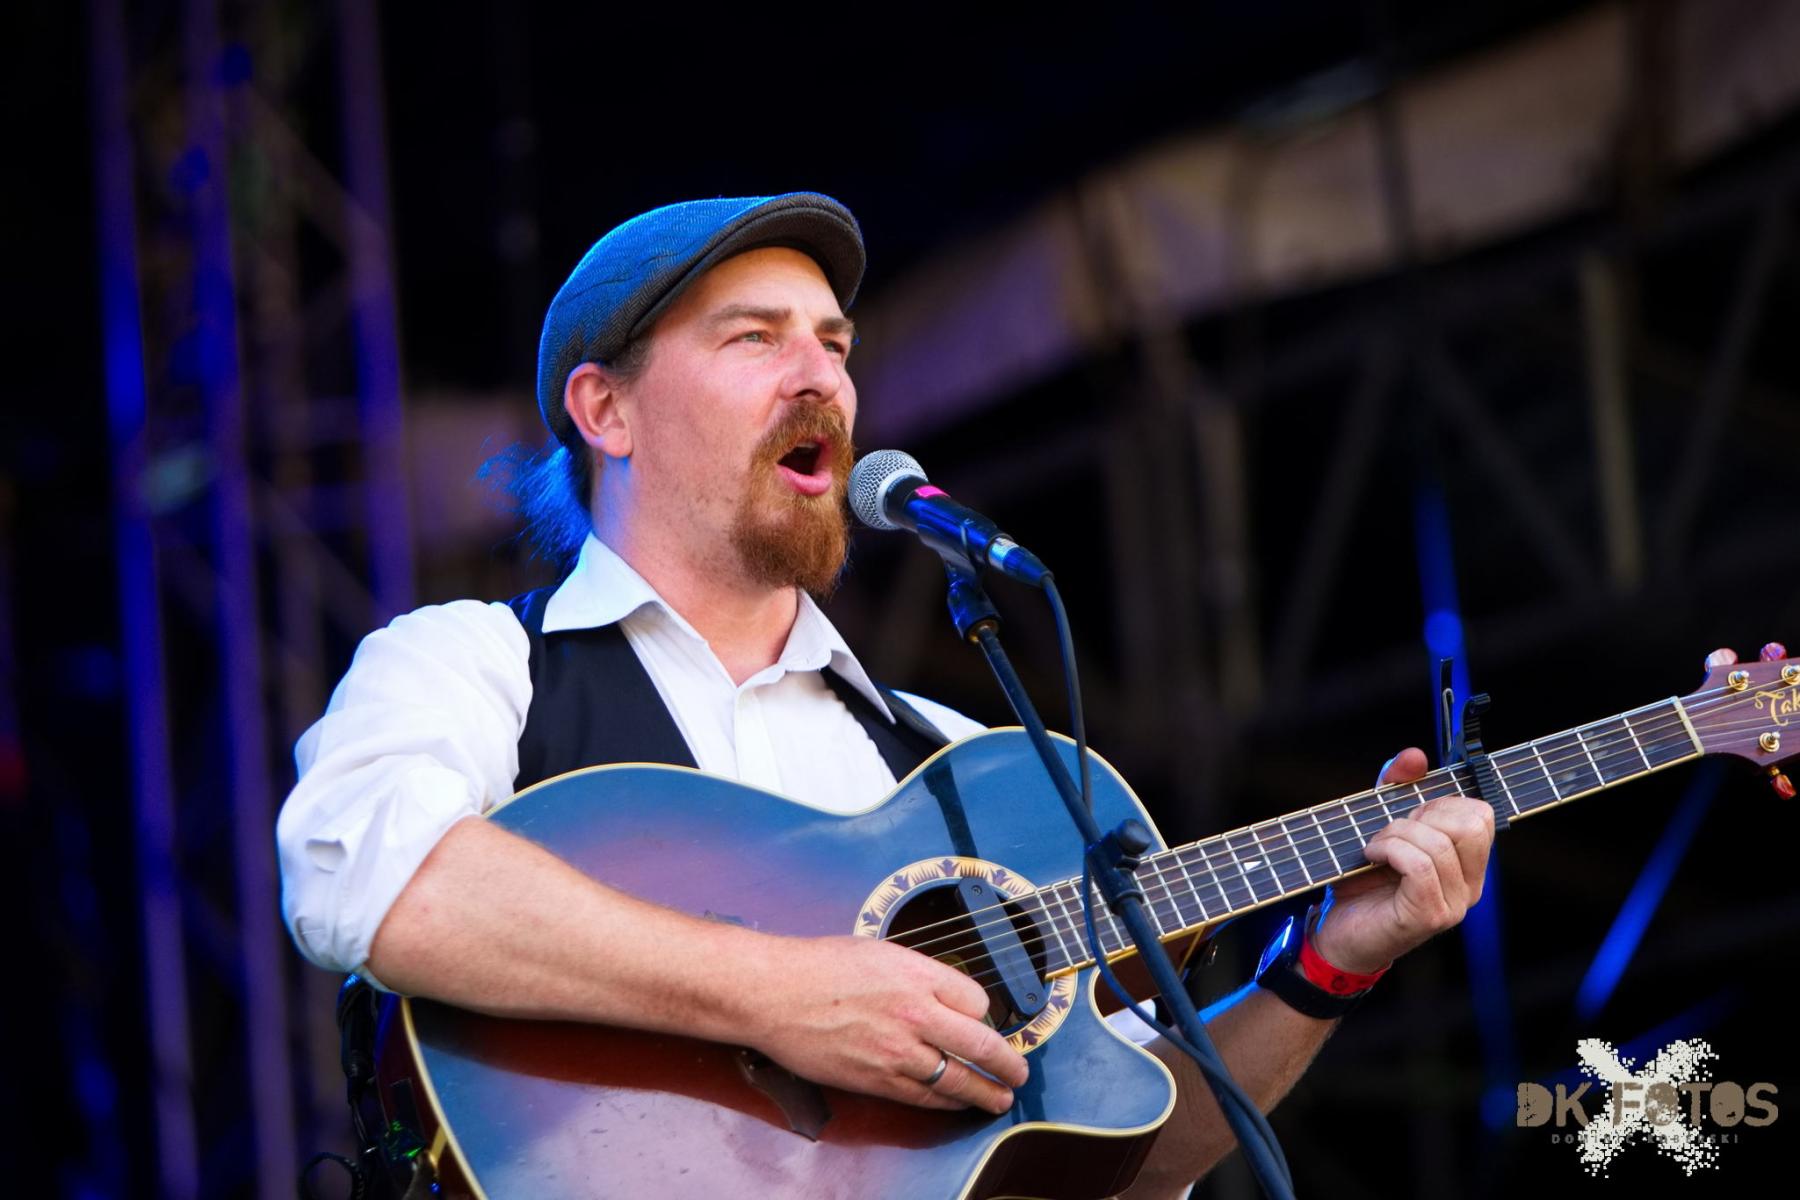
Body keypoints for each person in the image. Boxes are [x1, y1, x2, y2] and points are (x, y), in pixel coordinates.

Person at [276, 192, 1497, 1198]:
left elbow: (1118, 1161)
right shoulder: (473, 663)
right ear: (607, 411)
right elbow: (366, 877)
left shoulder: (955, 762)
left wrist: (1326, 963)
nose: (822, 377)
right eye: (756, 339)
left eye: (837, 343)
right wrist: (783, 995)